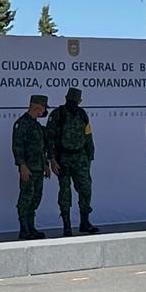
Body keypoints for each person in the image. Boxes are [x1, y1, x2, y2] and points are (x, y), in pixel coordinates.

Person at [46, 87, 98, 236]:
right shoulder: (57, 114)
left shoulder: (82, 114)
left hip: (81, 157)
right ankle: (67, 225)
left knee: (86, 189)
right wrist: (52, 159)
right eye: (71, 100)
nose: (73, 103)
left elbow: (88, 135)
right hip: (63, 157)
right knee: (65, 192)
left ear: (79, 101)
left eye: (76, 101)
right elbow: (49, 138)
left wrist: (89, 156)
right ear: (66, 98)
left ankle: (85, 222)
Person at [12, 95, 51, 239]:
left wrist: (45, 165)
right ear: (36, 107)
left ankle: (31, 227)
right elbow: (17, 147)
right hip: (28, 168)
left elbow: (42, 148)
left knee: (36, 198)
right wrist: (22, 166)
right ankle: (24, 229)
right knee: (26, 198)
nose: (43, 112)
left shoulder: (36, 125)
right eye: (42, 108)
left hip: (38, 168)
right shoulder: (21, 124)